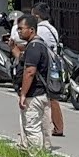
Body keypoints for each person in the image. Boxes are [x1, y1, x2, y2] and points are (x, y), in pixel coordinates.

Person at [15, 14, 52, 150]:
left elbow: (30, 72)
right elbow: (22, 60)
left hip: (34, 94)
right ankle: (42, 155)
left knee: (32, 127)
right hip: (42, 93)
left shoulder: (34, 47)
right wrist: (14, 48)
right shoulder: (39, 44)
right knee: (41, 127)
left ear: (31, 30)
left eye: (21, 28)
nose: (19, 31)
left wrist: (23, 94)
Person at [30, 3, 65, 136]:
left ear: (37, 16)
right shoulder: (51, 28)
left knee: (50, 97)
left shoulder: (41, 30)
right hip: (52, 66)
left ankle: (57, 126)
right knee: (50, 97)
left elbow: (36, 45)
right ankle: (56, 126)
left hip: (46, 68)